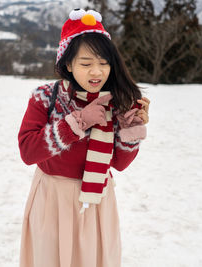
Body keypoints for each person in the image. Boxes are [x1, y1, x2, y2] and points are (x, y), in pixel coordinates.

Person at [18, 8, 150, 267]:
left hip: (97, 199)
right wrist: (78, 122)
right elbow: (28, 150)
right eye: (86, 64)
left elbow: (120, 164)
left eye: (103, 63)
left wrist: (129, 129)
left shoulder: (115, 102)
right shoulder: (45, 97)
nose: (97, 73)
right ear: (68, 64)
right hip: (53, 200)